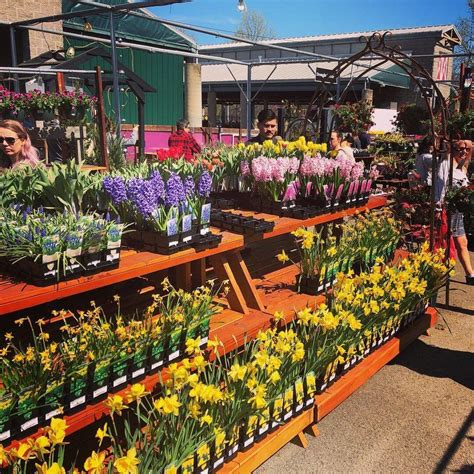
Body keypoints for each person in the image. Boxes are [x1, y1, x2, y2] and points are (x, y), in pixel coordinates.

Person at [435, 139, 474, 285]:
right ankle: (439, 274)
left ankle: (470, 274)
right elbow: (440, 186)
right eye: (461, 149)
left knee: (462, 242)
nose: (464, 152)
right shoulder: (446, 165)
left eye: (467, 149)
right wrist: (438, 208)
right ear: (453, 149)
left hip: (457, 211)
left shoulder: (462, 168)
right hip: (446, 209)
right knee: (444, 244)